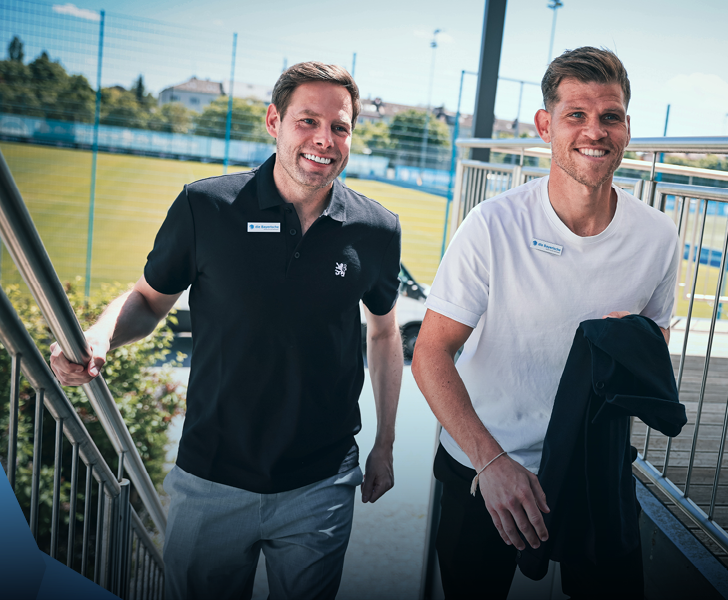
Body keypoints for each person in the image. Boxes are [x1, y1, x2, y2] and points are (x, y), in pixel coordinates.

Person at [50, 62, 404, 600]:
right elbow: (147, 300)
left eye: (340, 127)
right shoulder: (206, 205)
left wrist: (385, 444)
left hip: (322, 483)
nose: (324, 140)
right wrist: (98, 337)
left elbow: (383, 334)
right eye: (307, 121)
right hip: (211, 477)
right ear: (274, 121)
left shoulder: (377, 229)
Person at [411, 47, 680, 599]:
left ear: (627, 127)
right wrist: (493, 464)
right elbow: (430, 354)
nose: (595, 131)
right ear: (545, 126)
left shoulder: (657, 237)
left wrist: (629, 341)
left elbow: (653, 351)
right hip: (484, 467)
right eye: (576, 115)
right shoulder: (493, 224)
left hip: (592, 472)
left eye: (611, 116)